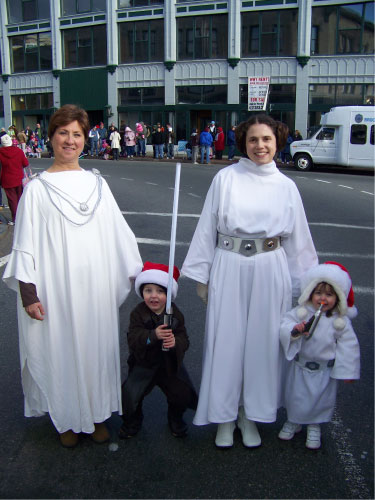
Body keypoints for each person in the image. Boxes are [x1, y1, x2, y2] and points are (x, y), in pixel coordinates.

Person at [2, 104, 142, 448]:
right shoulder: (37, 188)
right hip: (56, 289)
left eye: (77, 134)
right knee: (60, 351)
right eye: (63, 132)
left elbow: (120, 236)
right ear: (51, 137)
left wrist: (144, 277)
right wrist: (29, 294)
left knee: (95, 349)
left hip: (94, 288)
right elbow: (25, 244)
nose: (70, 140)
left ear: (85, 139)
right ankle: (65, 417)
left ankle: (94, 415)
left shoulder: (98, 184)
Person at [181, 114, 318, 448]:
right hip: (228, 265)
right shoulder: (225, 178)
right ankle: (224, 417)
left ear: (277, 142)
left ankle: (250, 414)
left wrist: (307, 289)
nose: (260, 146)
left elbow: (298, 241)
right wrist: (203, 275)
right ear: (244, 142)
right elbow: (207, 227)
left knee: (263, 344)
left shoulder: (287, 186)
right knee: (225, 342)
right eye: (254, 139)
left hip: (270, 269)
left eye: (267, 139)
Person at [279, 262, 360, 450]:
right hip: (300, 366)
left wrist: (348, 370)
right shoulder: (301, 313)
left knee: (320, 399)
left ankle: (314, 426)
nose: (323, 298)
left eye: (329, 295)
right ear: (310, 294)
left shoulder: (340, 321)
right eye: (318, 293)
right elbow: (284, 324)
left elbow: (349, 346)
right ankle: (293, 421)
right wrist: (294, 330)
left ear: (338, 297)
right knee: (295, 396)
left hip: (324, 370)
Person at [120, 262, 198, 439]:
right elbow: (133, 338)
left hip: (168, 364)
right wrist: (152, 335)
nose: (154, 296)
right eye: (148, 291)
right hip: (144, 363)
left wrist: (174, 343)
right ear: (142, 293)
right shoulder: (138, 313)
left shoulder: (174, 314)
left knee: (182, 393)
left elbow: (184, 339)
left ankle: (175, 417)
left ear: (169, 294)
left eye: (160, 291)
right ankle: (133, 420)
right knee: (130, 394)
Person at [0, 134, 29, 225]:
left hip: (7, 179)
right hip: (19, 178)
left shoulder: (1, 152)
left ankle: (15, 218)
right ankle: (23, 217)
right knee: (20, 198)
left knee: (12, 200)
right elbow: (25, 163)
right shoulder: (18, 151)